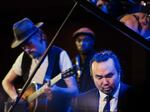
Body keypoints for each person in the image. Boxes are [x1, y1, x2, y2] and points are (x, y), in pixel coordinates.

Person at [2, 17, 78, 112]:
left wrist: (58, 90)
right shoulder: (23, 57)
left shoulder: (59, 54)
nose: (27, 50)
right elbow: (6, 82)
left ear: (39, 36)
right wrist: (15, 97)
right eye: (23, 47)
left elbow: (74, 91)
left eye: (29, 44)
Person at [71, 50, 143, 112]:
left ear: (119, 73)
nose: (105, 82)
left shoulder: (138, 97)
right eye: (99, 77)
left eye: (109, 76)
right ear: (92, 77)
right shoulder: (80, 101)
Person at [72, 27, 96, 93]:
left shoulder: (98, 60)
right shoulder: (73, 61)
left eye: (86, 40)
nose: (82, 43)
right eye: (79, 40)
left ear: (92, 42)